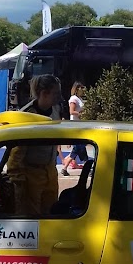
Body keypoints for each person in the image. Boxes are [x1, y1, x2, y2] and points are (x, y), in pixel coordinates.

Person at [7, 74, 62, 215]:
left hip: (50, 171)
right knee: (34, 217)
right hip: (31, 175)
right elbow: (16, 152)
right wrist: (18, 183)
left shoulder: (55, 110)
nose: (58, 97)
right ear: (44, 93)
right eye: (55, 93)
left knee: (51, 214)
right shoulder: (27, 115)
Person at [60, 82, 88, 175]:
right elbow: (71, 111)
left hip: (80, 126)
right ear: (77, 89)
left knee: (80, 147)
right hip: (76, 127)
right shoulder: (73, 99)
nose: (82, 90)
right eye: (81, 88)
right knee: (79, 147)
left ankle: (85, 164)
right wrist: (82, 114)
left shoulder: (79, 99)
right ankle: (86, 164)